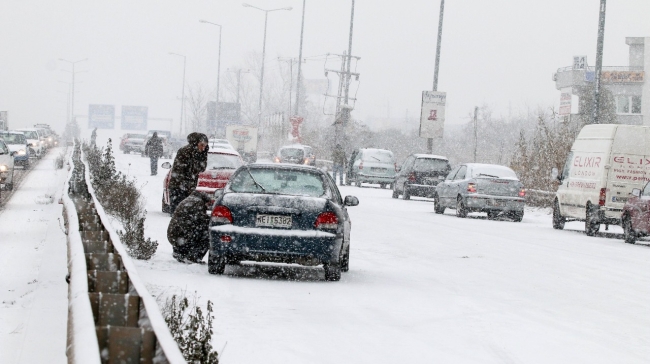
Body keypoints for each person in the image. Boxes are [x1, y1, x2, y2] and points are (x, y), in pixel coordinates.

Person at [167, 132, 209, 214]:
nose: (203, 148)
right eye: (202, 145)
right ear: (196, 143)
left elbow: (201, 168)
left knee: (185, 216)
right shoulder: (185, 151)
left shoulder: (199, 153)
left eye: (205, 146)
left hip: (188, 188)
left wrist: (203, 155)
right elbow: (183, 170)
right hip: (178, 188)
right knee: (179, 214)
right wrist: (187, 187)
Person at [167, 190, 212, 263]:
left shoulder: (188, 199)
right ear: (205, 200)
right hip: (181, 236)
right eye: (208, 204)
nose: (208, 207)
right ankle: (194, 258)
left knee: (191, 229)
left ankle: (180, 253)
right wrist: (212, 219)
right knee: (207, 235)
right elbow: (201, 220)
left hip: (173, 235)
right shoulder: (198, 202)